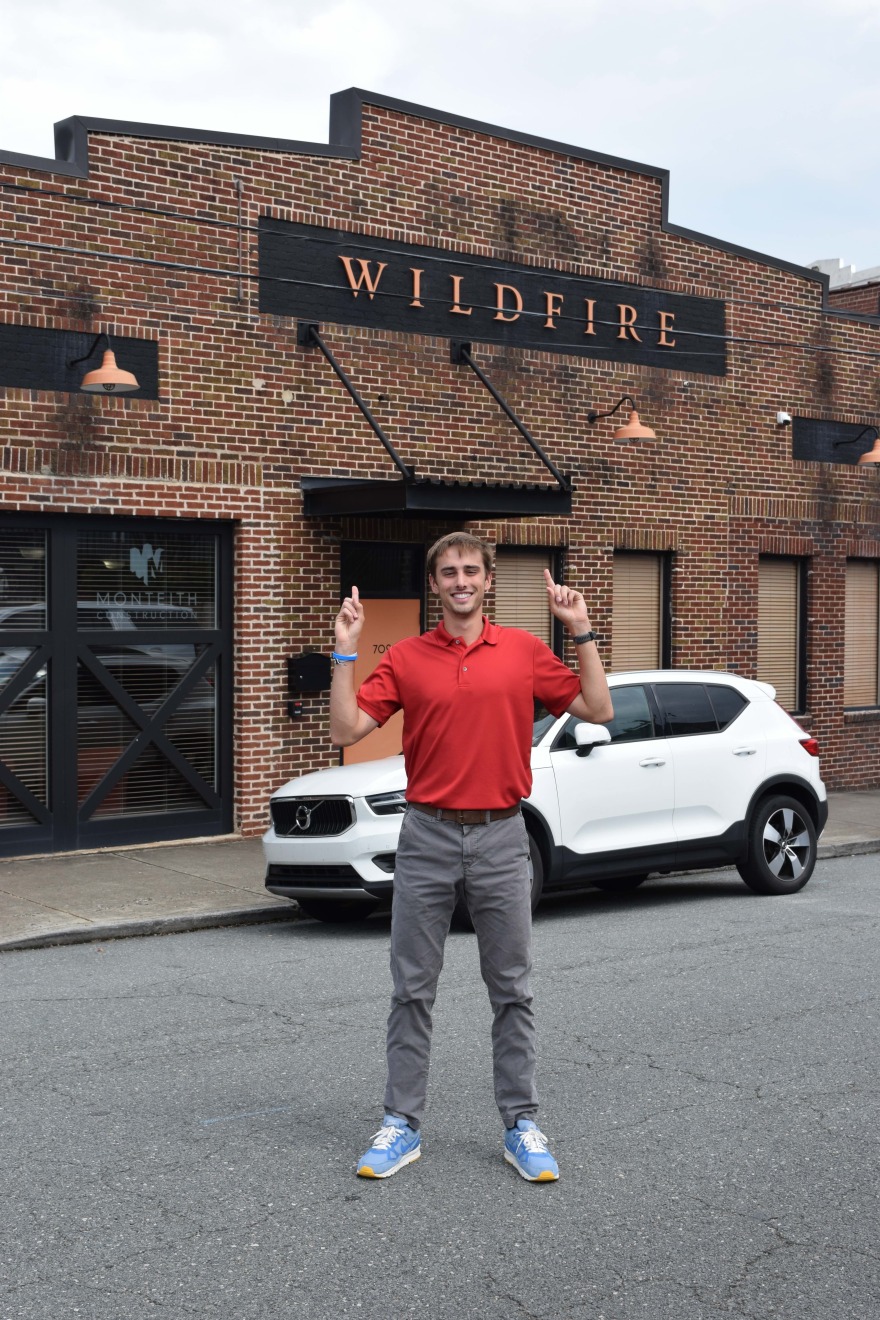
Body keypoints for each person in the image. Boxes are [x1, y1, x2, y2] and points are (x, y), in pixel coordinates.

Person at [329, 532, 613, 1182]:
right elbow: (346, 731)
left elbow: (599, 708)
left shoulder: (523, 651)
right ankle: (401, 1125)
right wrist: (345, 649)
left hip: (501, 835)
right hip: (425, 836)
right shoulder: (405, 657)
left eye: (470, 571)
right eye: (448, 572)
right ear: (435, 584)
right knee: (411, 990)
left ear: (488, 581)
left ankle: (521, 1124)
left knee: (512, 989)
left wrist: (582, 630)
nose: (459, 580)